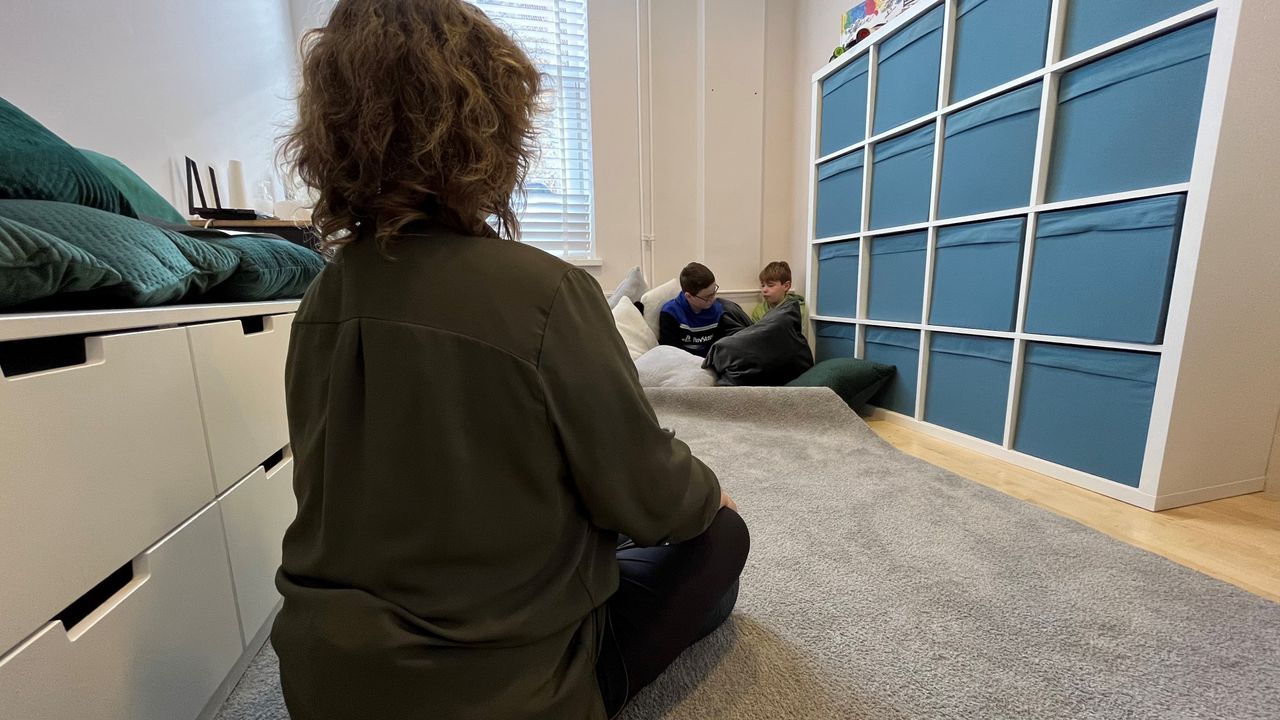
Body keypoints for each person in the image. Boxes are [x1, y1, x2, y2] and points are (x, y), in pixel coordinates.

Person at [271, 2, 749, 719]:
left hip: (324, 683)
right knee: (718, 539)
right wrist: (708, 494)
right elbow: (651, 497)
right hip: (502, 696)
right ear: (490, 126)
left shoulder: (320, 299)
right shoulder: (545, 292)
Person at [659, 262, 726, 357]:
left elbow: (720, 347)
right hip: (682, 363)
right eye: (707, 296)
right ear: (689, 296)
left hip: (710, 362)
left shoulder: (718, 310)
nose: (713, 298)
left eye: (714, 292)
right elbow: (670, 353)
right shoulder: (670, 313)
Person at [750, 260, 809, 335]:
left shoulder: (799, 310)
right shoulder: (759, 311)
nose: (764, 290)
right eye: (762, 285)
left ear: (786, 286)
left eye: (770, 285)